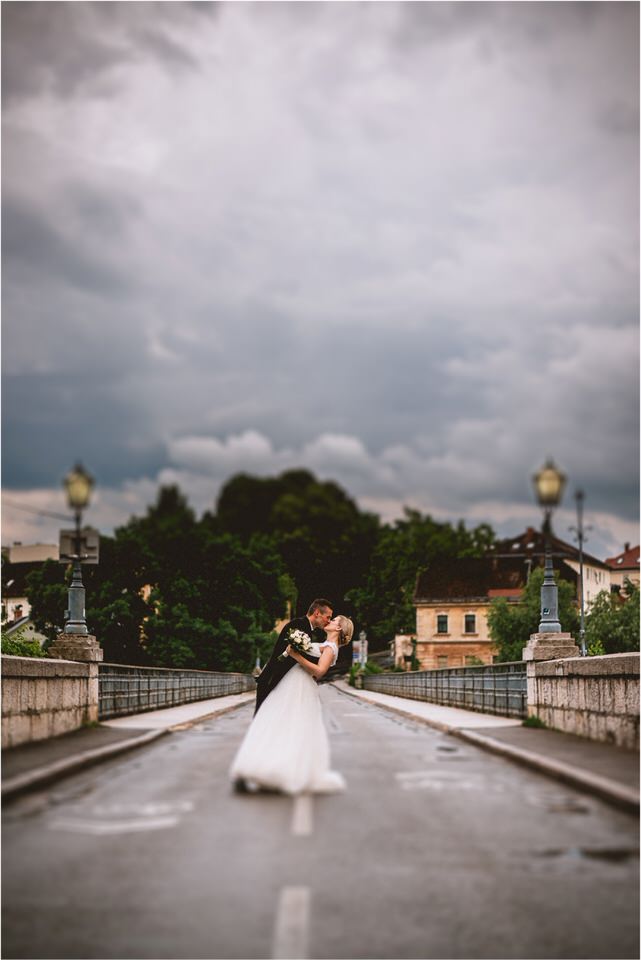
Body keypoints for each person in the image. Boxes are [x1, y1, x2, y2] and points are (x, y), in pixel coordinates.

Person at [230, 614, 354, 795]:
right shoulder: (325, 645)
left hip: (301, 687)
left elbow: (319, 671)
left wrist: (297, 656)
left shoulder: (331, 648)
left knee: (290, 723)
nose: (330, 621)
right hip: (293, 683)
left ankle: (285, 769)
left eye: (334, 620)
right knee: (279, 721)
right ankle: (267, 764)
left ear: (338, 629)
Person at [254, 599, 333, 714]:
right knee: (262, 720)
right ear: (317, 613)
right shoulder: (299, 625)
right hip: (271, 680)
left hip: (278, 681)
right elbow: (293, 656)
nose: (328, 621)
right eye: (328, 617)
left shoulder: (305, 627)